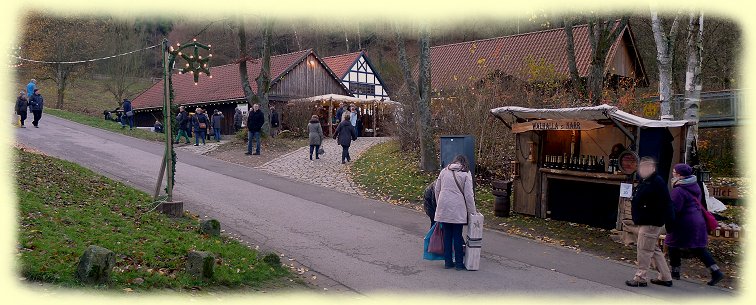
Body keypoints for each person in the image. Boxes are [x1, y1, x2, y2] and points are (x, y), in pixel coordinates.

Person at [665, 163, 724, 286]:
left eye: (675, 172)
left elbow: (674, 208)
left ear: (680, 175)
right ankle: (716, 271)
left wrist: (667, 217)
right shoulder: (694, 186)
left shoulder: (678, 190)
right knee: (698, 248)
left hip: (684, 222)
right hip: (698, 220)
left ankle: (675, 272)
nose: (673, 174)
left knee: (672, 244)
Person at [626, 157, 674, 287]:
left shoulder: (656, 182)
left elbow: (666, 203)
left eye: (646, 167)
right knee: (653, 249)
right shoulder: (647, 181)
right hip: (648, 221)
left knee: (644, 250)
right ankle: (665, 276)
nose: (643, 170)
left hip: (651, 222)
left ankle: (640, 278)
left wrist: (669, 222)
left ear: (653, 168)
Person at [434, 154, 477, 270]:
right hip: (458, 209)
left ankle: (448, 262)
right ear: (464, 163)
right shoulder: (466, 174)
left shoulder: (444, 171)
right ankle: (459, 263)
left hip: (444, 208)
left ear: (454, 162)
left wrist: (440, 204)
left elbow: (437, 189)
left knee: (446, 236)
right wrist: (473, 212)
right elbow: (469, 195)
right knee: (457, 236)